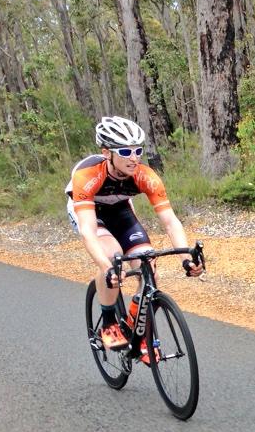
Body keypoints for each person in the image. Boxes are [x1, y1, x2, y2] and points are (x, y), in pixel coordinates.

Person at [66, 116, 204, 358]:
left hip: (120, 210)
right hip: (89, 212)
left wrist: (186, 257)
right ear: (107, 152)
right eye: (126, 151)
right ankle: (108, 322)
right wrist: (107, 266)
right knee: (112, 255)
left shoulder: (145, 175)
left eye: (138, 150)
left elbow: (171, 222)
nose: (134, 157)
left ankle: (136, 328)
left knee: (148, 266)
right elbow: (88, 231)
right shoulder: (88, 175)